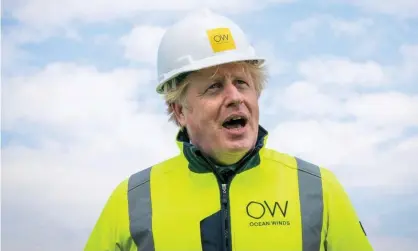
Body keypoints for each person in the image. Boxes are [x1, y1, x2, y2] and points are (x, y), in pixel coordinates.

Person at [84, 9, 374, 251]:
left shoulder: (319, 189)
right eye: (214, 86)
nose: (235, 97)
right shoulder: (131, 200)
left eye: (242, 83)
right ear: (180, 111)